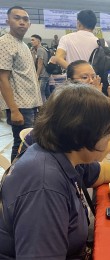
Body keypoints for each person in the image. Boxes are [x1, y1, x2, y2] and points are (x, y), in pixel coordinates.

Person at [0, 85, 110, 259]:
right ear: (82, 134)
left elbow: (102, 173)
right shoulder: (44, 188)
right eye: (107, 132)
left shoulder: (65, 152)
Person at [0, 6, 42, 162]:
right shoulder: (4, 43)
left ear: (29, 24)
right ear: (7, 21)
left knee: (30, 146)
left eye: (25, 19)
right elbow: (2, 79)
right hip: (20, 106)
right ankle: (14, 181)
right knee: (22, 145)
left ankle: (26, 178)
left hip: (31, 104)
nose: (22, 22)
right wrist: (14, 110)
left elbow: (28, 77)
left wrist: (39, 103)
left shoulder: (23, 45)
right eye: (17, 18)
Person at [66, 60, 110, 128]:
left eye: (93, 77)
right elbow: (95, 130)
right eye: (84, 77)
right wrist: (96, 99)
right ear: (70, 81)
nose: (91, 81)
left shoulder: (100, 100)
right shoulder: (68, 104)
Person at [30, 34, 50, 102]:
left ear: (38, 41)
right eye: (31, 40)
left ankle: (43, 110)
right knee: (47, 94)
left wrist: (37, 75)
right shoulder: (44, 49)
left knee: (40, 94)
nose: (31, 41)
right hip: (46, 74)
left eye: (33, 40)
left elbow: (40, 64)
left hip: (42, 75)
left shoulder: (40, 50)